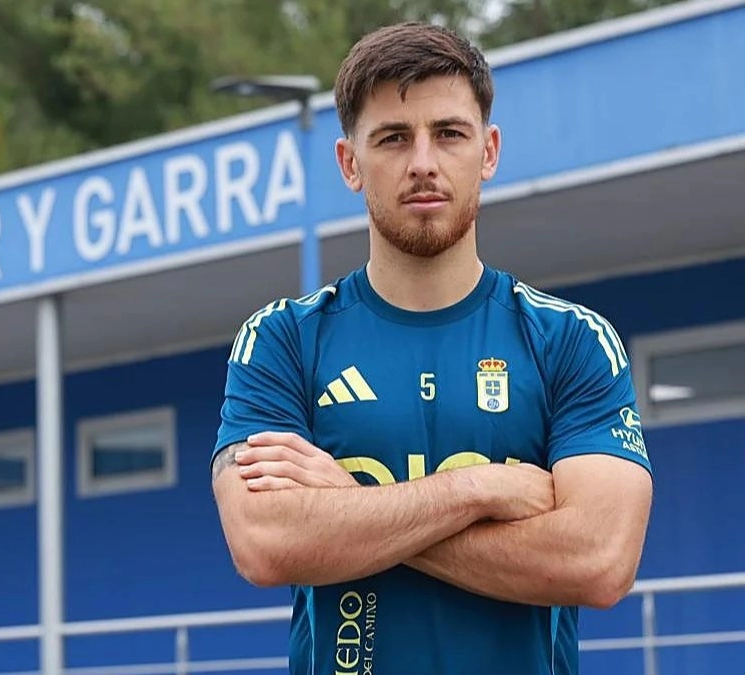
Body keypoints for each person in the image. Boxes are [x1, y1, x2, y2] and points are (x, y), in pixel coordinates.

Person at [209, 20, 654, 675]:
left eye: (449, 133)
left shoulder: (572, 341)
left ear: (490, 151)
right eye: (393, 138)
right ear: (349, 163)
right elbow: (264, 543)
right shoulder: (281, 339)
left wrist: (348, 504)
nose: (423, 162)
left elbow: (599, 560)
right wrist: (484, 489)